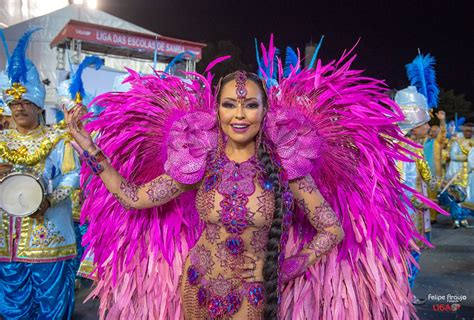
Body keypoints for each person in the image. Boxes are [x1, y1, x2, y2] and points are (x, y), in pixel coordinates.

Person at [65, 37, 427, 319]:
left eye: (250, 105)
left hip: (254, 295)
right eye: (229, 104)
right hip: (197, 284)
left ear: (264, 111)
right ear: (217, 109)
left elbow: (331, 229)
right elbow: (134, 196)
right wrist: (90, 149)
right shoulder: (199, 159)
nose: (239, 114)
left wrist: (288, 267)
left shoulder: (287, 165)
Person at [0, 29, 80, 319]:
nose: (19, 108)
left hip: (47, 240)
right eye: (14, 103)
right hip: (5, 243)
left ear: (37, 104)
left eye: (25, 102)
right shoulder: (1, 142)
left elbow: (72, 177)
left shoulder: (58, 140)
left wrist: (48, 200)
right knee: (12, 306)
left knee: (51, 306)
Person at [395, 86, 441, 305]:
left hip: (413, 209)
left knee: (411, 252)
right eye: (424, 124)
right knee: (406, 252)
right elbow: (401, 183)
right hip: (405, 211)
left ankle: (406, 292)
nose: (428, 127)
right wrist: (416, 201)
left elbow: (423, 176)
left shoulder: (413, 147)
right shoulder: (401, 148)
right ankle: (402, 295)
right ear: (413, 127)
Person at [445, 123, 474, 227]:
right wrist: (468, 158)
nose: (469, 133)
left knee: (467, 197)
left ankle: (464, 217)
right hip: (458, 173)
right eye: (467, 131)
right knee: (456, 195)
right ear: (464, 130)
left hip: (470, 174)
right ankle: (456, 218)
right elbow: (453, 156)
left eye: (471, 131)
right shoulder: (457, 141)